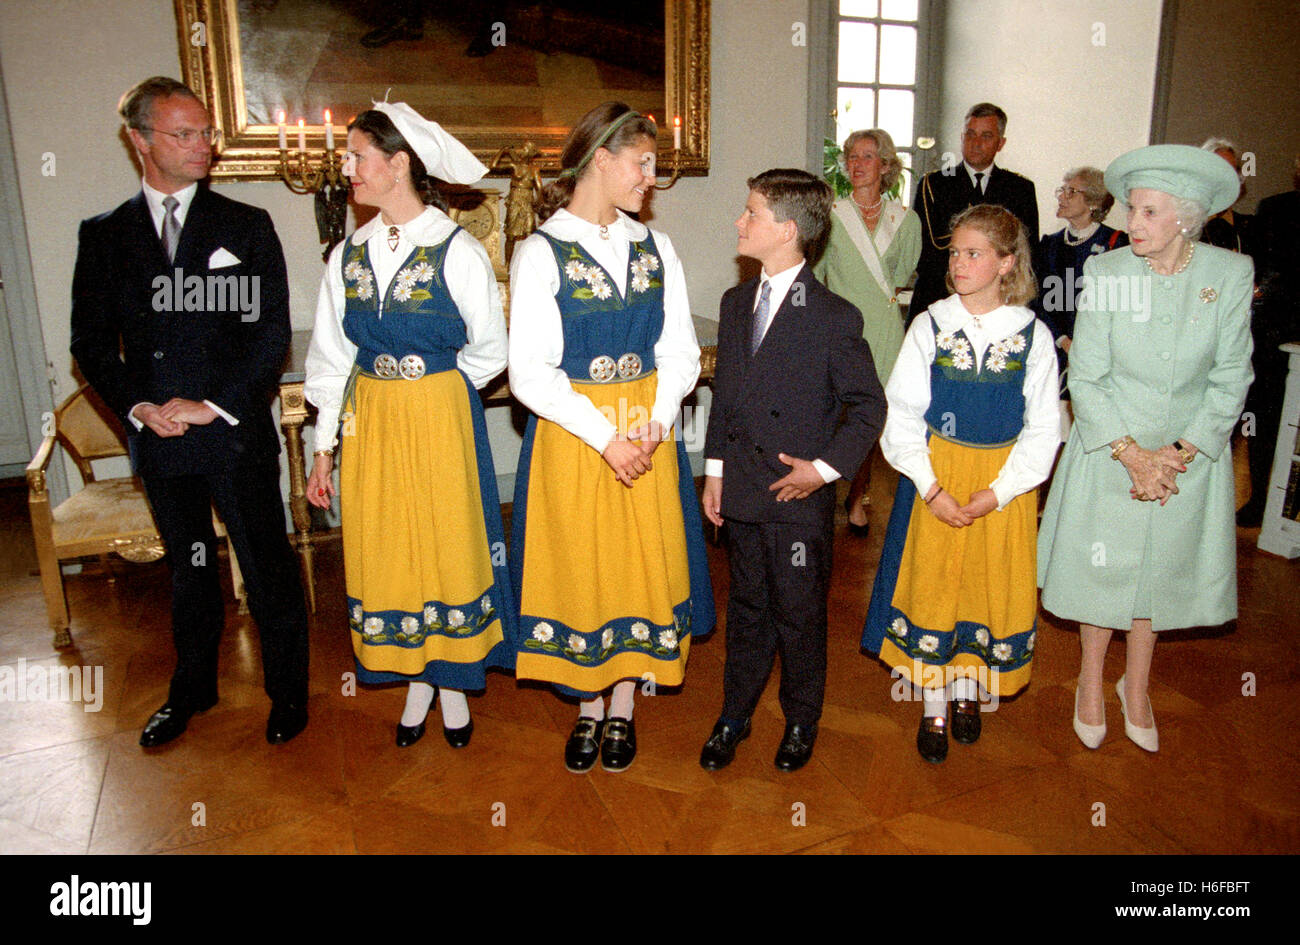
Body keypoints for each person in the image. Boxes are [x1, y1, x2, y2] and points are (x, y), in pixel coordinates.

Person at [70, 77, 309, 747]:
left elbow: (268, 338)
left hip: (232, 434)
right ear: (139, 140)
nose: (203, 144)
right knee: (192, 566)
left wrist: (214, 405)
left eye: (205, 132)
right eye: (183, 134)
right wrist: (142, 407)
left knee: (267, 566)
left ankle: (288, 694)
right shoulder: (105, 236)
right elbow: (89, 343)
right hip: (162, 438)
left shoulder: (245, 225)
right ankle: (193, 689)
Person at [508, 102, 714, 774]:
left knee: (637, 568)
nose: (651, 178)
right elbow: (529, 372)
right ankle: (587, 704)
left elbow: (679, 349)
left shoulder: (657, 248)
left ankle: (624, 703)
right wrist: (607, 436)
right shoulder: (541, 252)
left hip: (647, 430)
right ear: (600, 159)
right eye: (641, 163)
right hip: (577, 434)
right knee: (585, 566)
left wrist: (654, 422)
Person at [304, 100, 515, 749]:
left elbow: (491, 347)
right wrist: (323, 450)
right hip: (370, 419)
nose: (346, 169)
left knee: (445, 542)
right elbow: (331, 357)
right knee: (392, 545)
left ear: (397, 164)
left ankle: (448, 685)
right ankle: (417, 675)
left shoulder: (455, 251)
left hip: (439, 414)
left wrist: (439, 392)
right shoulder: (347, 255)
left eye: (356, 156)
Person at [1038, 144, 1251, 754]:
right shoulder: (1108, 273)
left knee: (1156, 574)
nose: (1132, 223)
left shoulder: (1228, 275)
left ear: (1185, 217)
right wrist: (1133, 454)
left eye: (1148, 212)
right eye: (1131, 208)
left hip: (1188, 458)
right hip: (1111, 449)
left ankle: (1137, 687)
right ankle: (1088, 682)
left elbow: (1232, 375)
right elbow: (1088, 375)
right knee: (1099, 572)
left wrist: (1180, 452)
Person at [699, 169, 886, 772]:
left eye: (750, 213)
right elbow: (726, 398)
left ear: (785, 230)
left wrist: (826, 470)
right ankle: (735, 712)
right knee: (748, 607)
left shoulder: (833, 316)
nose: (739, 222)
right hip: (744, 491)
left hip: (796, 495)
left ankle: (802, 717)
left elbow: (867, 407)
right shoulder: (734, 305)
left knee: (800, 611)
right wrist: (716, 472)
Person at [862, 204, 1059, 764]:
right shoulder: (931, 325)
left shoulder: (1032, 336)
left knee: (984, 587)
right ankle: (934, 704)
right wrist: (930, 486)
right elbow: (901, 414)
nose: (959, 264)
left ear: (1006, 263)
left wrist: (999, 492)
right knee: (934, 586)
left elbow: (1044, 430)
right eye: (955, 253)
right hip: (938, 478)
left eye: (974, 254)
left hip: (1002, 487)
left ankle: (972, 690)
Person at [814, 128, 921, 536]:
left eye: (867, 157)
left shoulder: (905, 219)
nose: (857, 165)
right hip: (838, 328)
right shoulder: (831, 214)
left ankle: (858, 495)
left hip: (884, 329)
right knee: (830, 417)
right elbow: (818, 275)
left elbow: (900, 275)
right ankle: (821, 490)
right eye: (851, 157)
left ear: (886, 166)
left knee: (870, 418)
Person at [911, 103, 1039, 319]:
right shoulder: (934, 185)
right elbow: (925, 255)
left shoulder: (1019, 189)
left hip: (1000, 304)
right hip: (941, 301)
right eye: (970, 134)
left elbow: (1027, 253)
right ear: (962, 137)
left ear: (1001, 143)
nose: (976, 143)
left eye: (986, 136)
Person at [1239, 156, 1300, 526]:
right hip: (1275, 335)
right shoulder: (1275, 209)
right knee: (1265, 421)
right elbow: (1259, 272)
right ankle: (1261, 499)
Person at [1034, 166, 1128, 397]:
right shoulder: (1050, 244)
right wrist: (1064, 340)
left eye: (1071, 191)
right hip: (1055, 349)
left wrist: (1089, 344)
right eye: (1062, 190)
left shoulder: (1116, 244)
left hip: (1101, 355)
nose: (1062, 197)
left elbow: (1122, 305)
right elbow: (1036, 299)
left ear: (1093, 202)